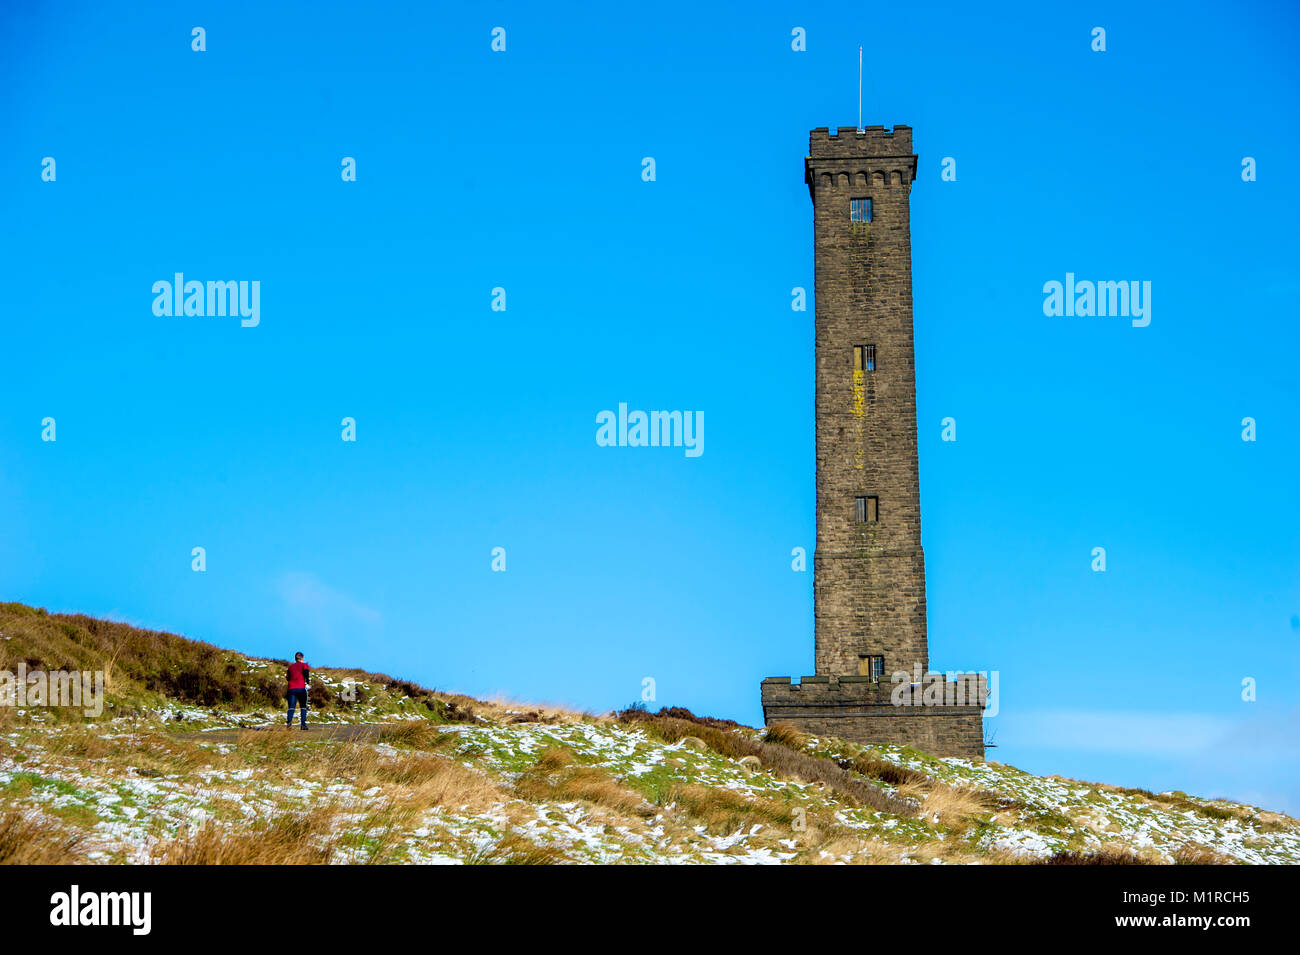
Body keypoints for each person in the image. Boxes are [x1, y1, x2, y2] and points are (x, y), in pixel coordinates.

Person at [286, 652, 311, 729]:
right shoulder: (304, 665)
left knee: (291, 707)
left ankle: (289, 722)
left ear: (295, 658)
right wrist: (307, 680)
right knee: (303, 706)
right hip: (301, 688)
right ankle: (303, 724)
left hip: (291, 688)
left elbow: (287, 678)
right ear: (302, 658)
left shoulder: (290, 667)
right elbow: (306, 672)